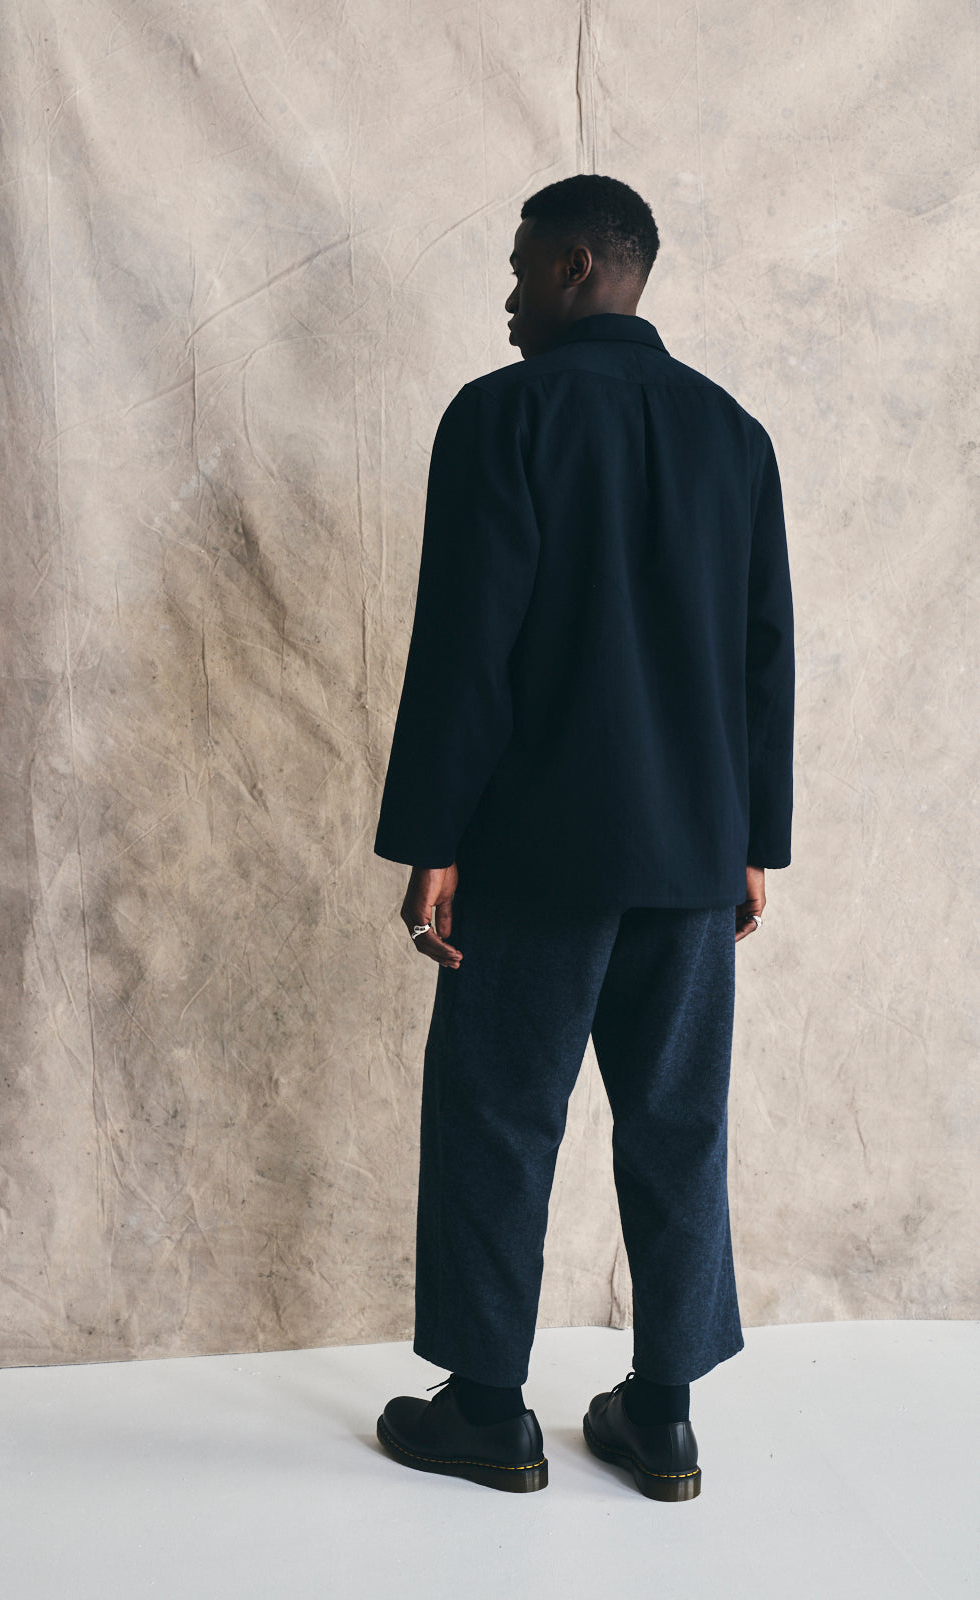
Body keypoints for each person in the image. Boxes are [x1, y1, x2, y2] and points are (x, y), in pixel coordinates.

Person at [371, 174, 795, 1498]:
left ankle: (486, 1411)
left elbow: (467, 645)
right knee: (679, 1126)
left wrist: (435, 837)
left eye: (519, 268)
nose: (506, 297)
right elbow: (765, 657)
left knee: (500, 1116)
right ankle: (662, 1418)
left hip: (537, 853)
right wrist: (754, 841)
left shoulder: (504, 416)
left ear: (574, 265)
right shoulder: (734, 434)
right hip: (693, 854)